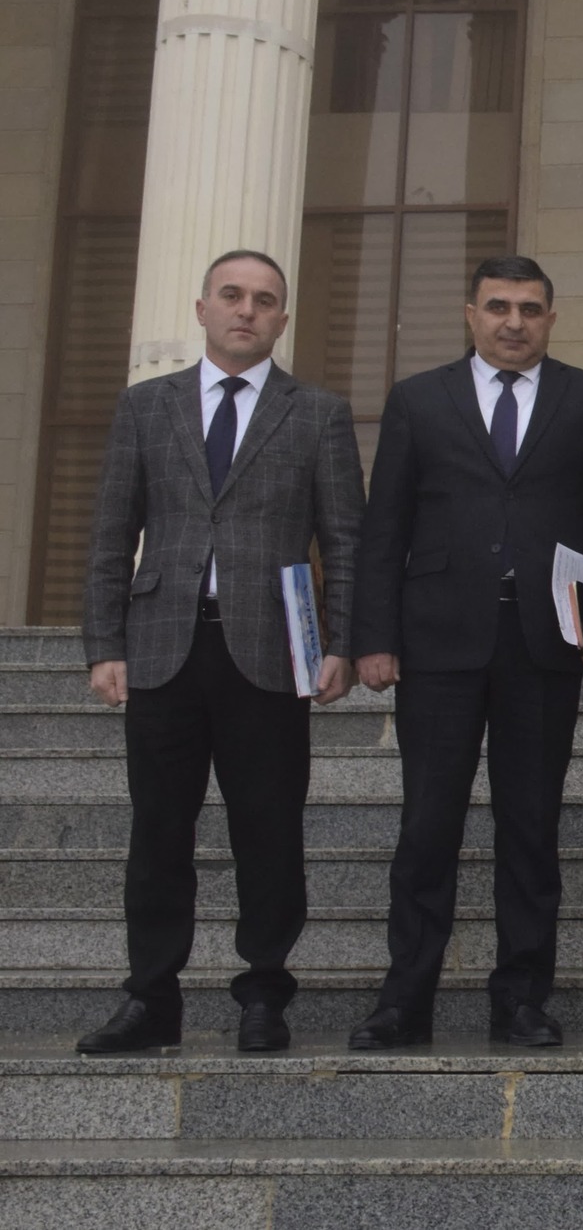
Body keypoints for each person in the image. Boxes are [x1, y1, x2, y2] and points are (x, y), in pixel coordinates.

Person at [347, 255, 583, 1050]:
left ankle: (521, 999)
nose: (515, 322)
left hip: (545, 642)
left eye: (530, 309)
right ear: (471, 313)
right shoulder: (418, 399)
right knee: (427, 825)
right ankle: (405, 1001)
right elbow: (385, 527)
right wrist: (373, 636)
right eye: (500, 306)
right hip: (438, 641)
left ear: (552, 318)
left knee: (531, 827)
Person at [77, 249, 362, 1054]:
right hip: (161, 645)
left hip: (270, 651)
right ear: (202, 308)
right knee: (158, 833)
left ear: (282, 319)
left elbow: (345, 539)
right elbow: (111, 533)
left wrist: (341, 642)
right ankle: (150, 998)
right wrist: (104, 642)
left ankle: (264, 993)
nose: (247, 310)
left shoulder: (318, 413)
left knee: (269, 831)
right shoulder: (146, 406)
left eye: (264, 300)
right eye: (232, 295)